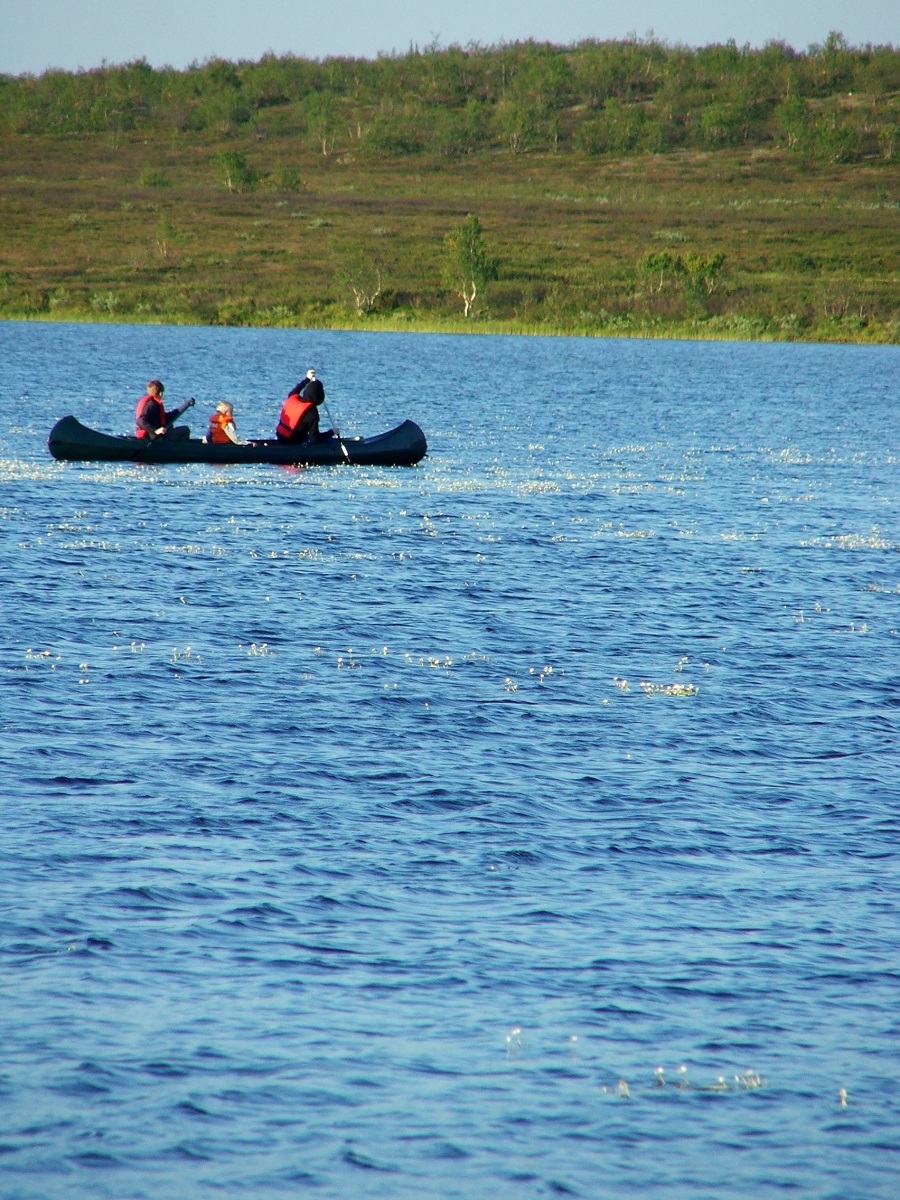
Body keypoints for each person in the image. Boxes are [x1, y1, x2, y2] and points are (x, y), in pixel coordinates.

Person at [275, 369, 332, 443]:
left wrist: (307, 379)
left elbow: (297, 388)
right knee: (329, 441)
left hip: (280, 437)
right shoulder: (312, 412)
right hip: (293, 442)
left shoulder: (292, 396)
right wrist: (331, 433)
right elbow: (315, 439)